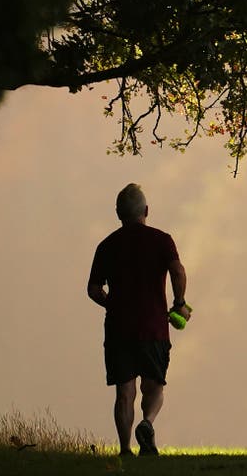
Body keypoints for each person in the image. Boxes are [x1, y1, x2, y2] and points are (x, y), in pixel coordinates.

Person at [87, 183, 189, 456]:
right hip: (154, 326)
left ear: (118, 214)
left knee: (125, 391)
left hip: (119, 328)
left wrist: (113, 304)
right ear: (146, 210)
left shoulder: (106, 246)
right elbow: (178, 272)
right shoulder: (162, 240)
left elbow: (93, 289)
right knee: (154, 385)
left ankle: (124, 449)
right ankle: (147, 423)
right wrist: (179, 305)